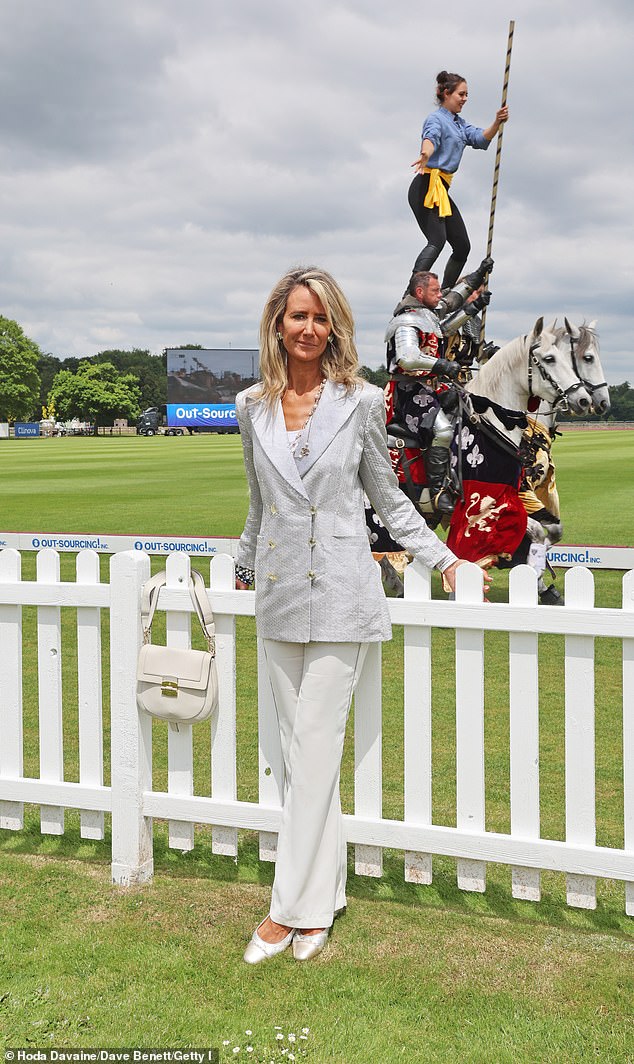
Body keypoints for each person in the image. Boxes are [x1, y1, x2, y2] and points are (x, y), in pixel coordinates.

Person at [234, 266, 487, 965]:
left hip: (345, 592)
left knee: (314, 750)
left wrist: (447, 562)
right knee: (301, 759)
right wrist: (244, 564)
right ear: (277, 325)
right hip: (280, 595)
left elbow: (390, 496)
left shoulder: (364, 402)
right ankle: (322, 902)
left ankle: (285, 913)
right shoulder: (250, 404)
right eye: (296, 317)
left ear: (334, 326)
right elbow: (259, 504)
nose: (308, 329)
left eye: (320, 318)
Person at [408, 70, 508, 291]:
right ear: (446, 93)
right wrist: (425, 154)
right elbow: (430, 138)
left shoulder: (460, 124)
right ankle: (411, 293)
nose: (465, 98)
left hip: (441, 190)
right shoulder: (436, 119)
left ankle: (444, 294)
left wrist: (497, 122)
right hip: (426, 186)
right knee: (437, 241)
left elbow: (481, 139)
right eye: (461, 94)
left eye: (466, 94)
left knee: (462, 246)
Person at [385, 270, 461, 515]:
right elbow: (407, 359)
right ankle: (438, 491)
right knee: (443, 430)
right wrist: (441, 365)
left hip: (430, 386)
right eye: (435, 291)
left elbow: (445, 329)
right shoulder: (406, 320)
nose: (440, 296)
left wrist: (472, 308)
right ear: (419, 292)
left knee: (469, 409)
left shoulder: (426, 316)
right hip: (408, 390)